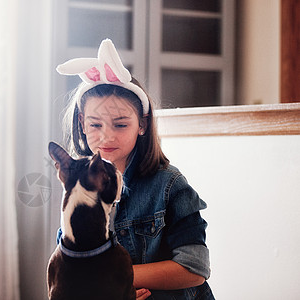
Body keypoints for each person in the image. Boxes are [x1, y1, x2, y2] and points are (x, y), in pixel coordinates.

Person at [55, 39, 214, 299]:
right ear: (82, 123)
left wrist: (114, 278)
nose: (106, 137)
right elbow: (70, 265)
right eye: (95, 125)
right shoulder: (77, 186)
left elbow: (194, 268)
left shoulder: (169, 185)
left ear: (142, 124)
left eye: (120, 125)